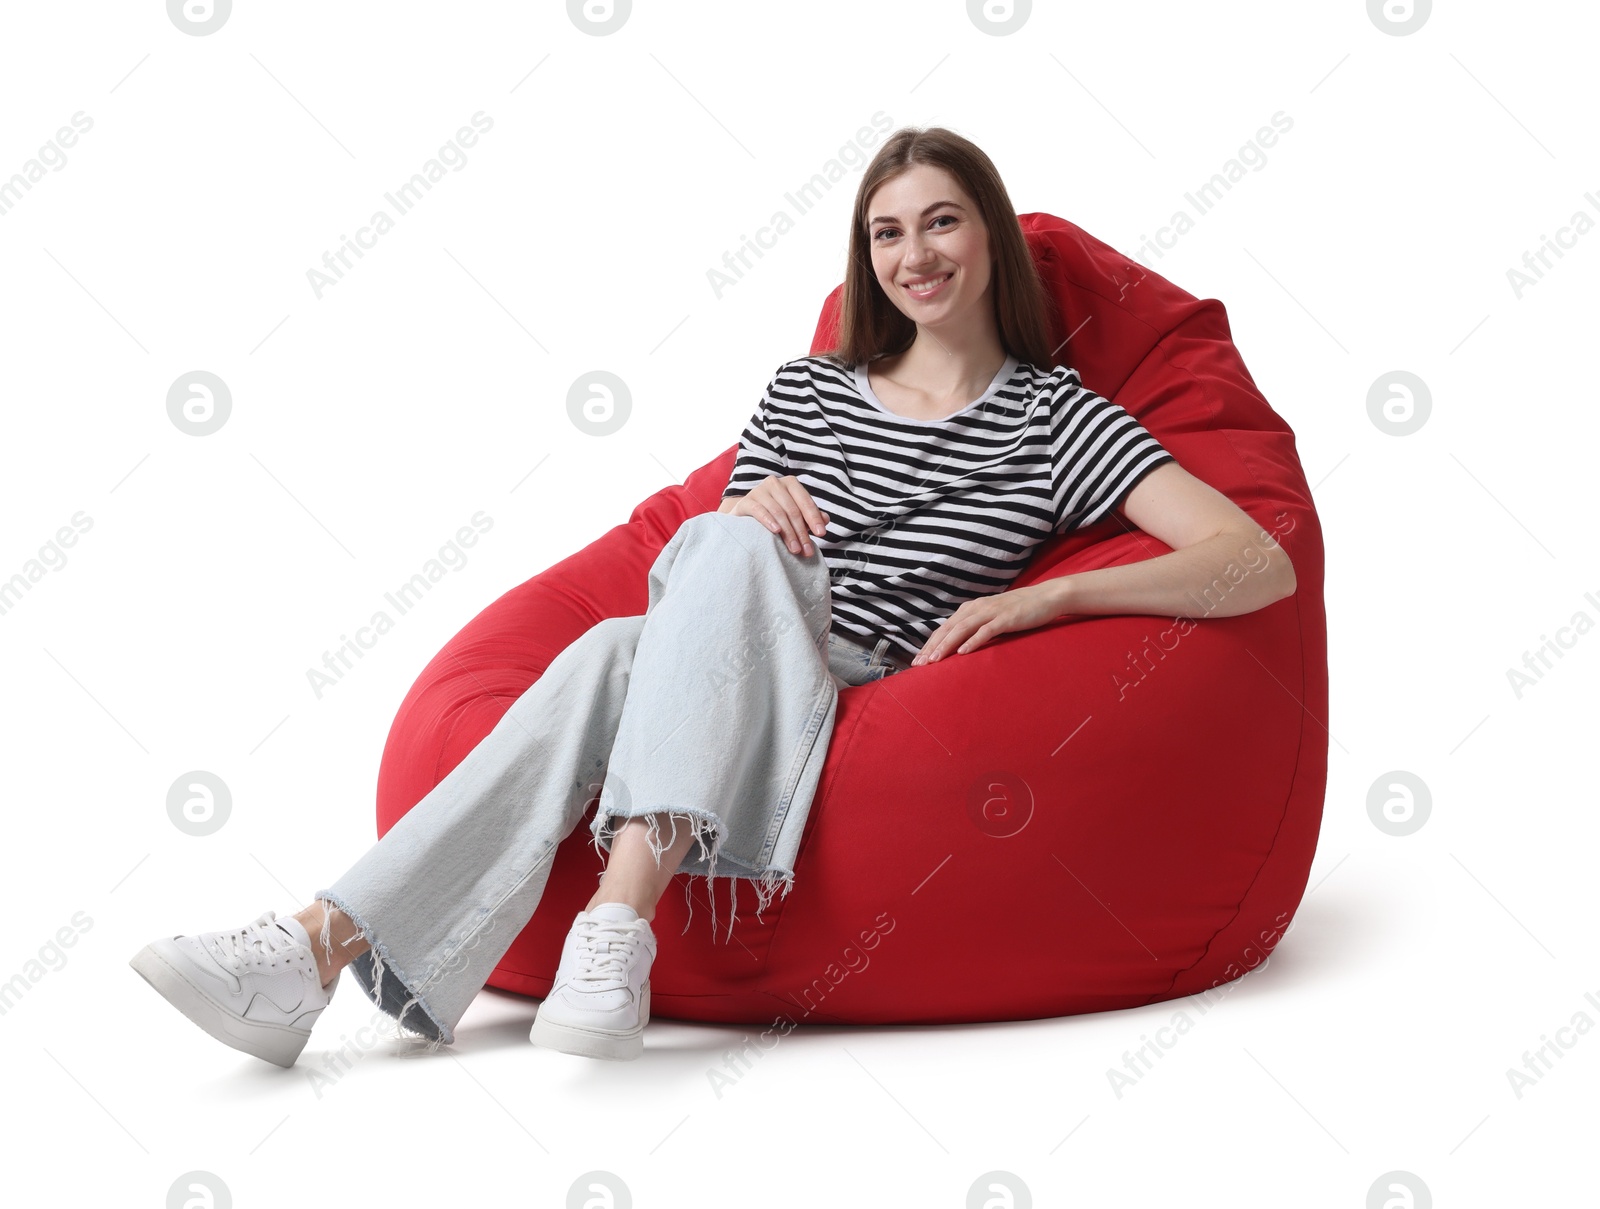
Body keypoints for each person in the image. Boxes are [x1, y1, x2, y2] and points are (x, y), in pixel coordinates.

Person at [129, 125, 1296, 1070]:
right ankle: (343, 950)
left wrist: (1050, 607)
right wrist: (735, 521)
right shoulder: (809, 389)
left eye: (940, 220)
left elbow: (1254, 559)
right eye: (886, 232)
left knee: (667, 606)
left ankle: (558, 919)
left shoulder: (1056, 419)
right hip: (738, 647)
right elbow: (698, 577)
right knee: (652, 610)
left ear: (988, 235)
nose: (914, 253)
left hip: (860, 686)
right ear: (865, 258)